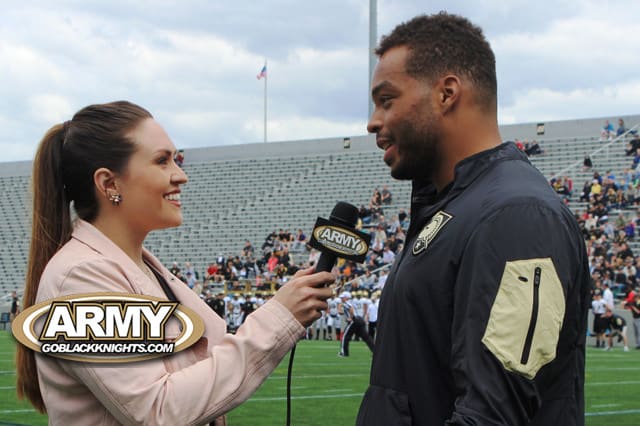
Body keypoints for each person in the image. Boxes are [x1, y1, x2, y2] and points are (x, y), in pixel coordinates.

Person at [15, 101, 335, 425]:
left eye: (176, 159)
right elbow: (159, 409)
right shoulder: (80, 277)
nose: (180, 176)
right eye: (162, 161)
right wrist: (279, 318)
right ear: (109, 184)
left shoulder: (141, 267)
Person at [356, 13, 590, 425]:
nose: (373, 120)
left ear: (446, 93)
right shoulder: (455, 206)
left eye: (386, 99)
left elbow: (492, 414)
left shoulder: (516, 216)